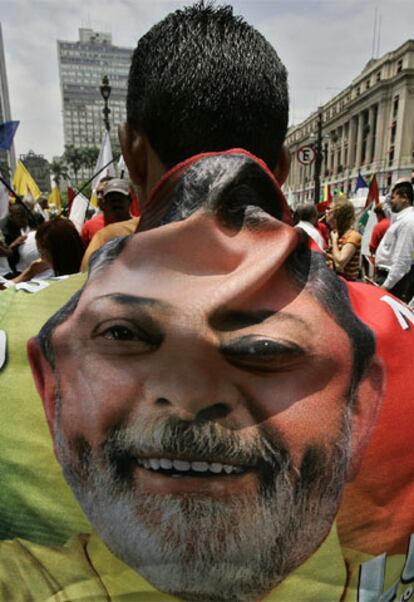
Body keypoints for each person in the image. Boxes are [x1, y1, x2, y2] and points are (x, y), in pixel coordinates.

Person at [0, 4, 413, 600]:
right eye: (124, 337)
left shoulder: (16, 329)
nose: (192, 397)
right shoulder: (401, 339)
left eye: (265, 350)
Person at [375, 181, 414, 301]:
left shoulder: (408, 221)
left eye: (394, 197)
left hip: (392, 281)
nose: (390, 200)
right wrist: (395, 185)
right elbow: (386, 204)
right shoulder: (397, 217)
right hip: (386, 276)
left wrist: (386, 286)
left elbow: (402, 259)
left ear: (404, 198)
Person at [329, 200, 361, 281]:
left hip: (347, 286)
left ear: (339, 216)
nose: (327, 212)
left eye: (331, 211)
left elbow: (340, 263)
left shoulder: (353, 236)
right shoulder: (337, 233)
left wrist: (334, 241)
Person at [80, 175, 114, 246]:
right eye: (97, 193)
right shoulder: (88, 226)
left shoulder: (136, 225)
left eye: (103, 192)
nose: (98, 197)